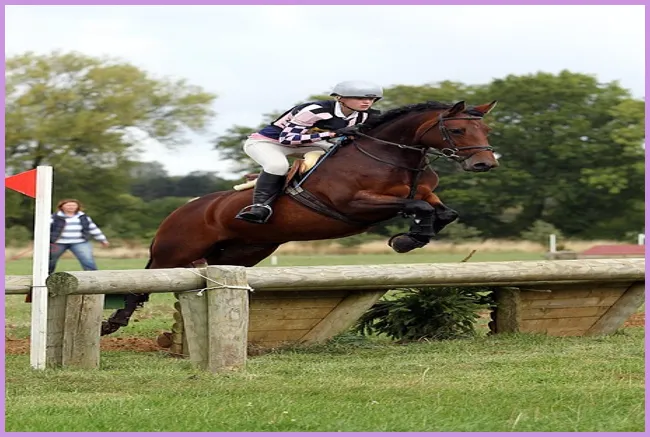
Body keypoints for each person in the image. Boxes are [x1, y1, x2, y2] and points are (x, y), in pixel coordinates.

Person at [235, 80, 384, 224]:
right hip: (268, 142)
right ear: (340, 98)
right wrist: (332, 134)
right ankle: (260, 207)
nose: (367, 102)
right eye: (359, 98)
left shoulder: (363, 115)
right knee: (277, 166)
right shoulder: (314, 110)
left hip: (307, 144)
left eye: (372, 99)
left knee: (340, 156)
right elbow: (287, 139)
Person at [49, 199, 110, 275]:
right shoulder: (54, 217)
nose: (71, 207)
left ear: (78, 207)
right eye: (68, 205)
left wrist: (102, 240)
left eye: (73, 205)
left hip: (80, 242)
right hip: (58, 242)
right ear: (62, 207)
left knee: (88, 260)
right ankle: (46, 276)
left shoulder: (83, 217)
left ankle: (93, 276)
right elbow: (46, 229)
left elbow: (93, 228)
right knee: (50, 260)